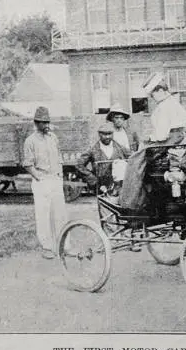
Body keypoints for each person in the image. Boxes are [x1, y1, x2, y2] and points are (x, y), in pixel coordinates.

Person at [119, 73, 186, 211]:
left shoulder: (164, 107)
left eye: (153, 95)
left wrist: (149, 138)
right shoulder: (175, 104)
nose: (152, 98)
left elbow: (162, 136)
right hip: (178, 142)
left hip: (168, 143)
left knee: (134, 161)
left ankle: (132, 202)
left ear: (161, 90)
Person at [22, 106, 70, 259]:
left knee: (60, 214)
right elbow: (27, 164)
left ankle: (64, 245)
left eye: (47, 122)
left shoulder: (53, 137)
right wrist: (38, 177)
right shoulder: (30, 141)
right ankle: (47, 247)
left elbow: (59, 157)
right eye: (42, 122)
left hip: (55, 179)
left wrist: (60, 176)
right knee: (43, 215)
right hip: (41, 181)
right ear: (36, 123)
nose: (46, 125)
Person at [75, 122, 131, 194]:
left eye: (109, 134)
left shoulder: (120, 148)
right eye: (104, 134)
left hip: (119, 186)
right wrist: (93, 180)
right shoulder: (93, 149)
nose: (107, 137)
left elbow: (133, 159)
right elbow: (79, 165)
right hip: (101, 186)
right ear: (99, 134)